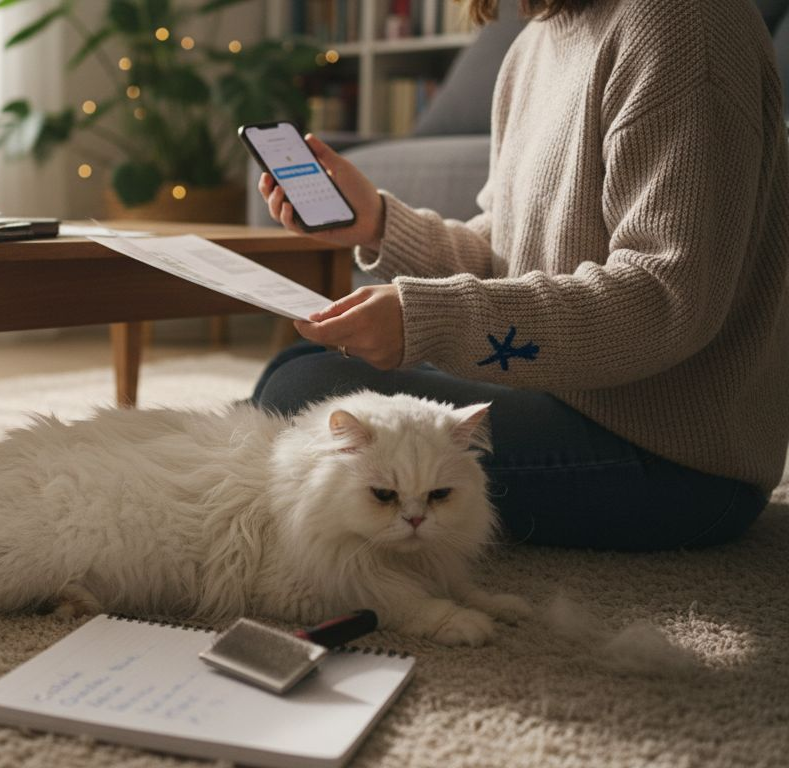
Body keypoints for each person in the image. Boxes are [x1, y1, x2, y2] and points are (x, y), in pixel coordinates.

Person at [252, 0, 789, 551]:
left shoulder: (683, 22)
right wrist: (382, 225)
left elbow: (664, 300)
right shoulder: (531, 44)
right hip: (553, 387)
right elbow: (504, 255)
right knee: (300, 373)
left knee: (304, 388)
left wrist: (429, 321)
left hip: (675, 460)